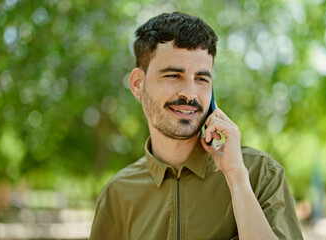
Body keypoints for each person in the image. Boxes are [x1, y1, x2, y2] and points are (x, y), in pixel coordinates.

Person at [89, 12, 303, 240]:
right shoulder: (116, 195)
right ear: (137, 84)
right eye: (173, 75)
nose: (190, 93)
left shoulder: (260, 174)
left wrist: (237, 177)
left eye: (202, 79)